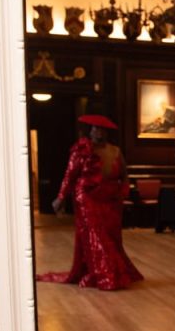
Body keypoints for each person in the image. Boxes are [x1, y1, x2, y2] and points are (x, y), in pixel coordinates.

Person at [37, 114, 143, 291]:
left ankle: (110, 271)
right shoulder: (82, 150)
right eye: (95, 129)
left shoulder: (115, 151)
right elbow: (70, 175)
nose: (98, 132)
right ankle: (107, 275)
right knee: (96, 235)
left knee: (111, 236)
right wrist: (61, 197)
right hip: (86, 197)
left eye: (101, 129)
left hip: (110, 199)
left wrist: (123, 191)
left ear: (106, 132)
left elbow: (124, 175)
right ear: (90, 131)